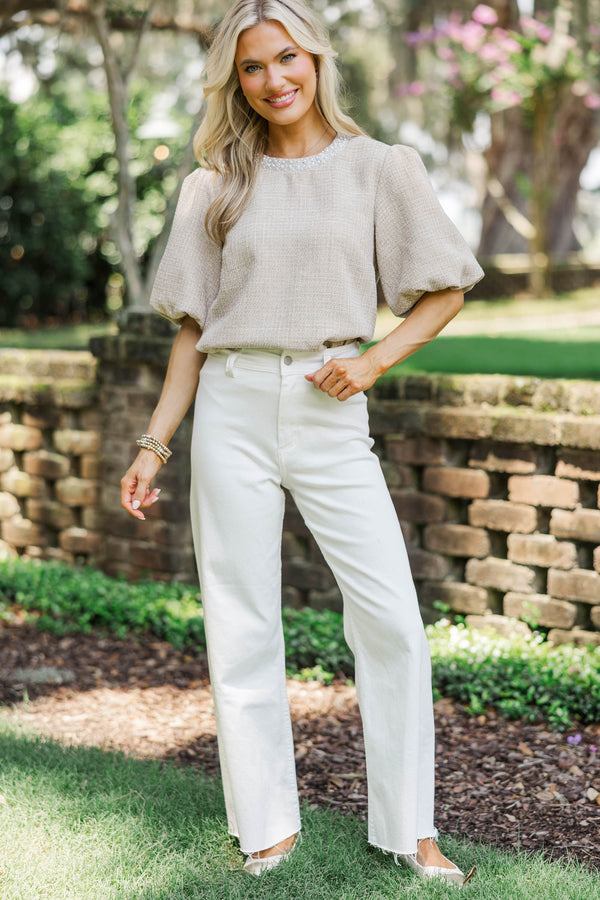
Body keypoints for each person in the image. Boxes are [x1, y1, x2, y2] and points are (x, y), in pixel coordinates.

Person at [121, 0, 483, 885]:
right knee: (241, 620)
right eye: (253, 67)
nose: (274, 80)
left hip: (329, 408)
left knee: (392, 620)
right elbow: (190, 334)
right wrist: (153, 445)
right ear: (233, 81)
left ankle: (410, 830)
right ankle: (267, 829)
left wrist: (373, 362)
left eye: (288, 58)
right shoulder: (214, 184)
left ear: (316, 59)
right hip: (233, 408)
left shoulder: (379, 169)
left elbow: (443, 291)